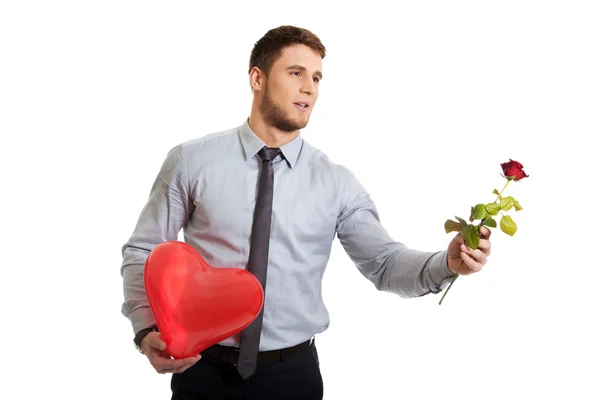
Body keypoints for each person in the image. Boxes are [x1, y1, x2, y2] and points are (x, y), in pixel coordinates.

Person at [120, 25, 492, 400]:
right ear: (257, 78)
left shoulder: (336, 183)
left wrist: (446, 264)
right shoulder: (191, 161)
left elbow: (384, 263)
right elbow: (144, 251)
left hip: (292, 378)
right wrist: (144, 329)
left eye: (316, 78)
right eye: (296, 73)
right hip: (202, 371)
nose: (310, 88)